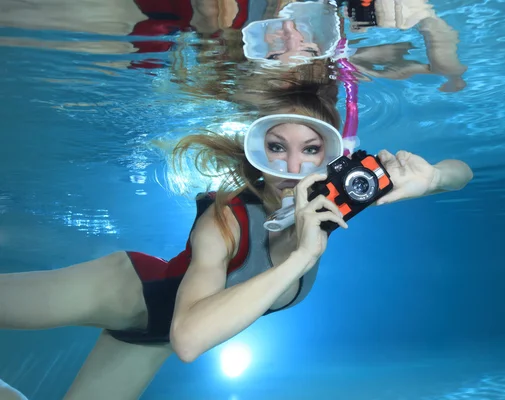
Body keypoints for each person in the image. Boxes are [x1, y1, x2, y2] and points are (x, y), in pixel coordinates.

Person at [0, 109, 473, 399]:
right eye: (275, 148)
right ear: (257, 156)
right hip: (129, 288)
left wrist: (431, 178)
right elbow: (190, 338)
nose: (292, 168)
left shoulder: (344, 195)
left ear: (333, 156)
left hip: (150, 339)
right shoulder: (224, 219)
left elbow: (463, 170)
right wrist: (300, 257)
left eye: (310, 150)